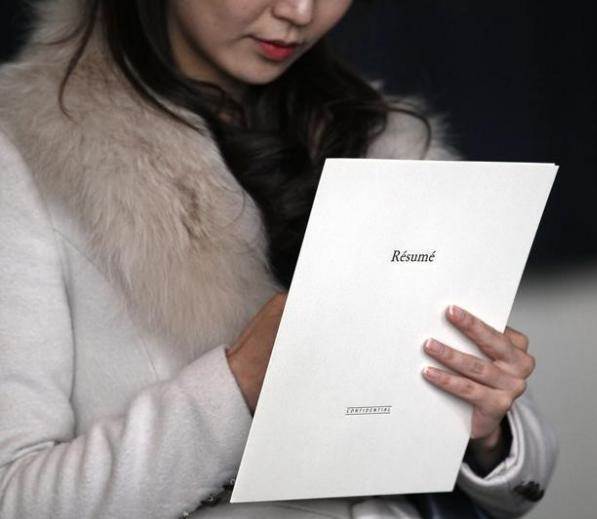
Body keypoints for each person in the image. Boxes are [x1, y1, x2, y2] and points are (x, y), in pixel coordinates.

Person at [0, 0, 558, 517]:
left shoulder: (383, 137)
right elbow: (15, 496)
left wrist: (487, 430)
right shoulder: (24, 150)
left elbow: (517, 485)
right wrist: (238, 382)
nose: (299, 11)